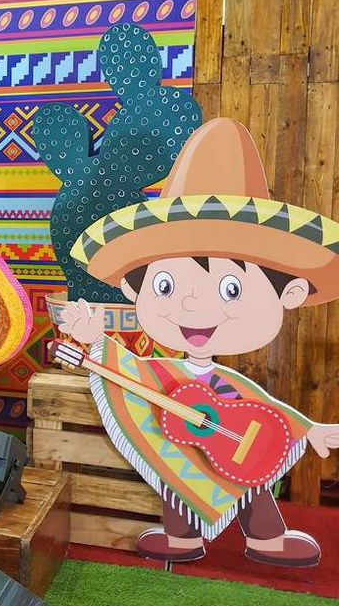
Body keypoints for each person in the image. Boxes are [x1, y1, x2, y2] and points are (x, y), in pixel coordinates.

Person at [59, 118, 339, 567]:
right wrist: (95, 341)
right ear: (135, 289)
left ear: (289, 293)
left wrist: (310, 430)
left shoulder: (227, 382)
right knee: (170, 460)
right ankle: (181, 535)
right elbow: (130, 375)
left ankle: (266, 537)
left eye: (231, 288)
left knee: (254, 464)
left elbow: (266, 408)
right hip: (180, 442)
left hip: (236, 441)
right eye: (164, 285)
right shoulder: (164, 374)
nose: (192, 305)